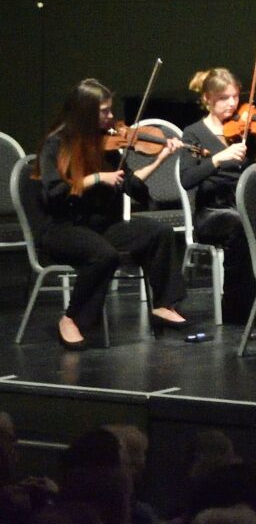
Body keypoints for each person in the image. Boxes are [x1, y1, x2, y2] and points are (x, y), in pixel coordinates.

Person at [32, 79, 190, 347]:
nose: (111, 116)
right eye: (104, 111)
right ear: (84, 111)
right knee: (103, 254)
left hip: (101, 227)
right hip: (62, 229)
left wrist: (160, 159)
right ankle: (71, 318)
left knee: (158, 232)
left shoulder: (105, 143)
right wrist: (96, 178)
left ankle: (163, 305)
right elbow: (54, 192)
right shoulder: (56, 144)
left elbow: (129, 183)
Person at [178, 67, 256, 322]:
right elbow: (187, 178)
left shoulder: (244, 130)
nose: (233, 103)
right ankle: (237, 307)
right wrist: (217, 158)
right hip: (212, 212)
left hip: (243, 206)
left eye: (235, 96)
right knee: (241, 227)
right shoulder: (194, 133)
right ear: (207, 99)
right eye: (224, 98)